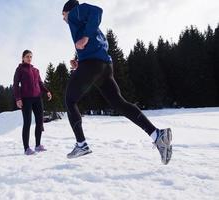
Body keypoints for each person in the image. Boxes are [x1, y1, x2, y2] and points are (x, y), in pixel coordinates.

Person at [62, 0, 173, 164]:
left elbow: (97, 11)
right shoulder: (84, 24)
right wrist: (80, 59)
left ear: (67, 11)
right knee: (120, 103)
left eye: (62, 15)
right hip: (104, 66)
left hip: (93, 64)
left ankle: (81, 144)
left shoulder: (75, 13)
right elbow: (95, 44)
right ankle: (157, 135)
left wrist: (85, 37)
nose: (63, 18)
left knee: (70, 100)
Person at [13, 50, 52, 155]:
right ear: (23, 58)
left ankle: (38, 145)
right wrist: (18, 99)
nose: (29, 58)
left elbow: (40, 83)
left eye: (30, 56)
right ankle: (26, 148)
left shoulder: (36, 70)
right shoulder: (19, 69)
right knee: (27, 123)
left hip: (37, 98)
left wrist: (47, 91)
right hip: (26, 99)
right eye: (27, 56)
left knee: (39, 121)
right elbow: (15, 85)